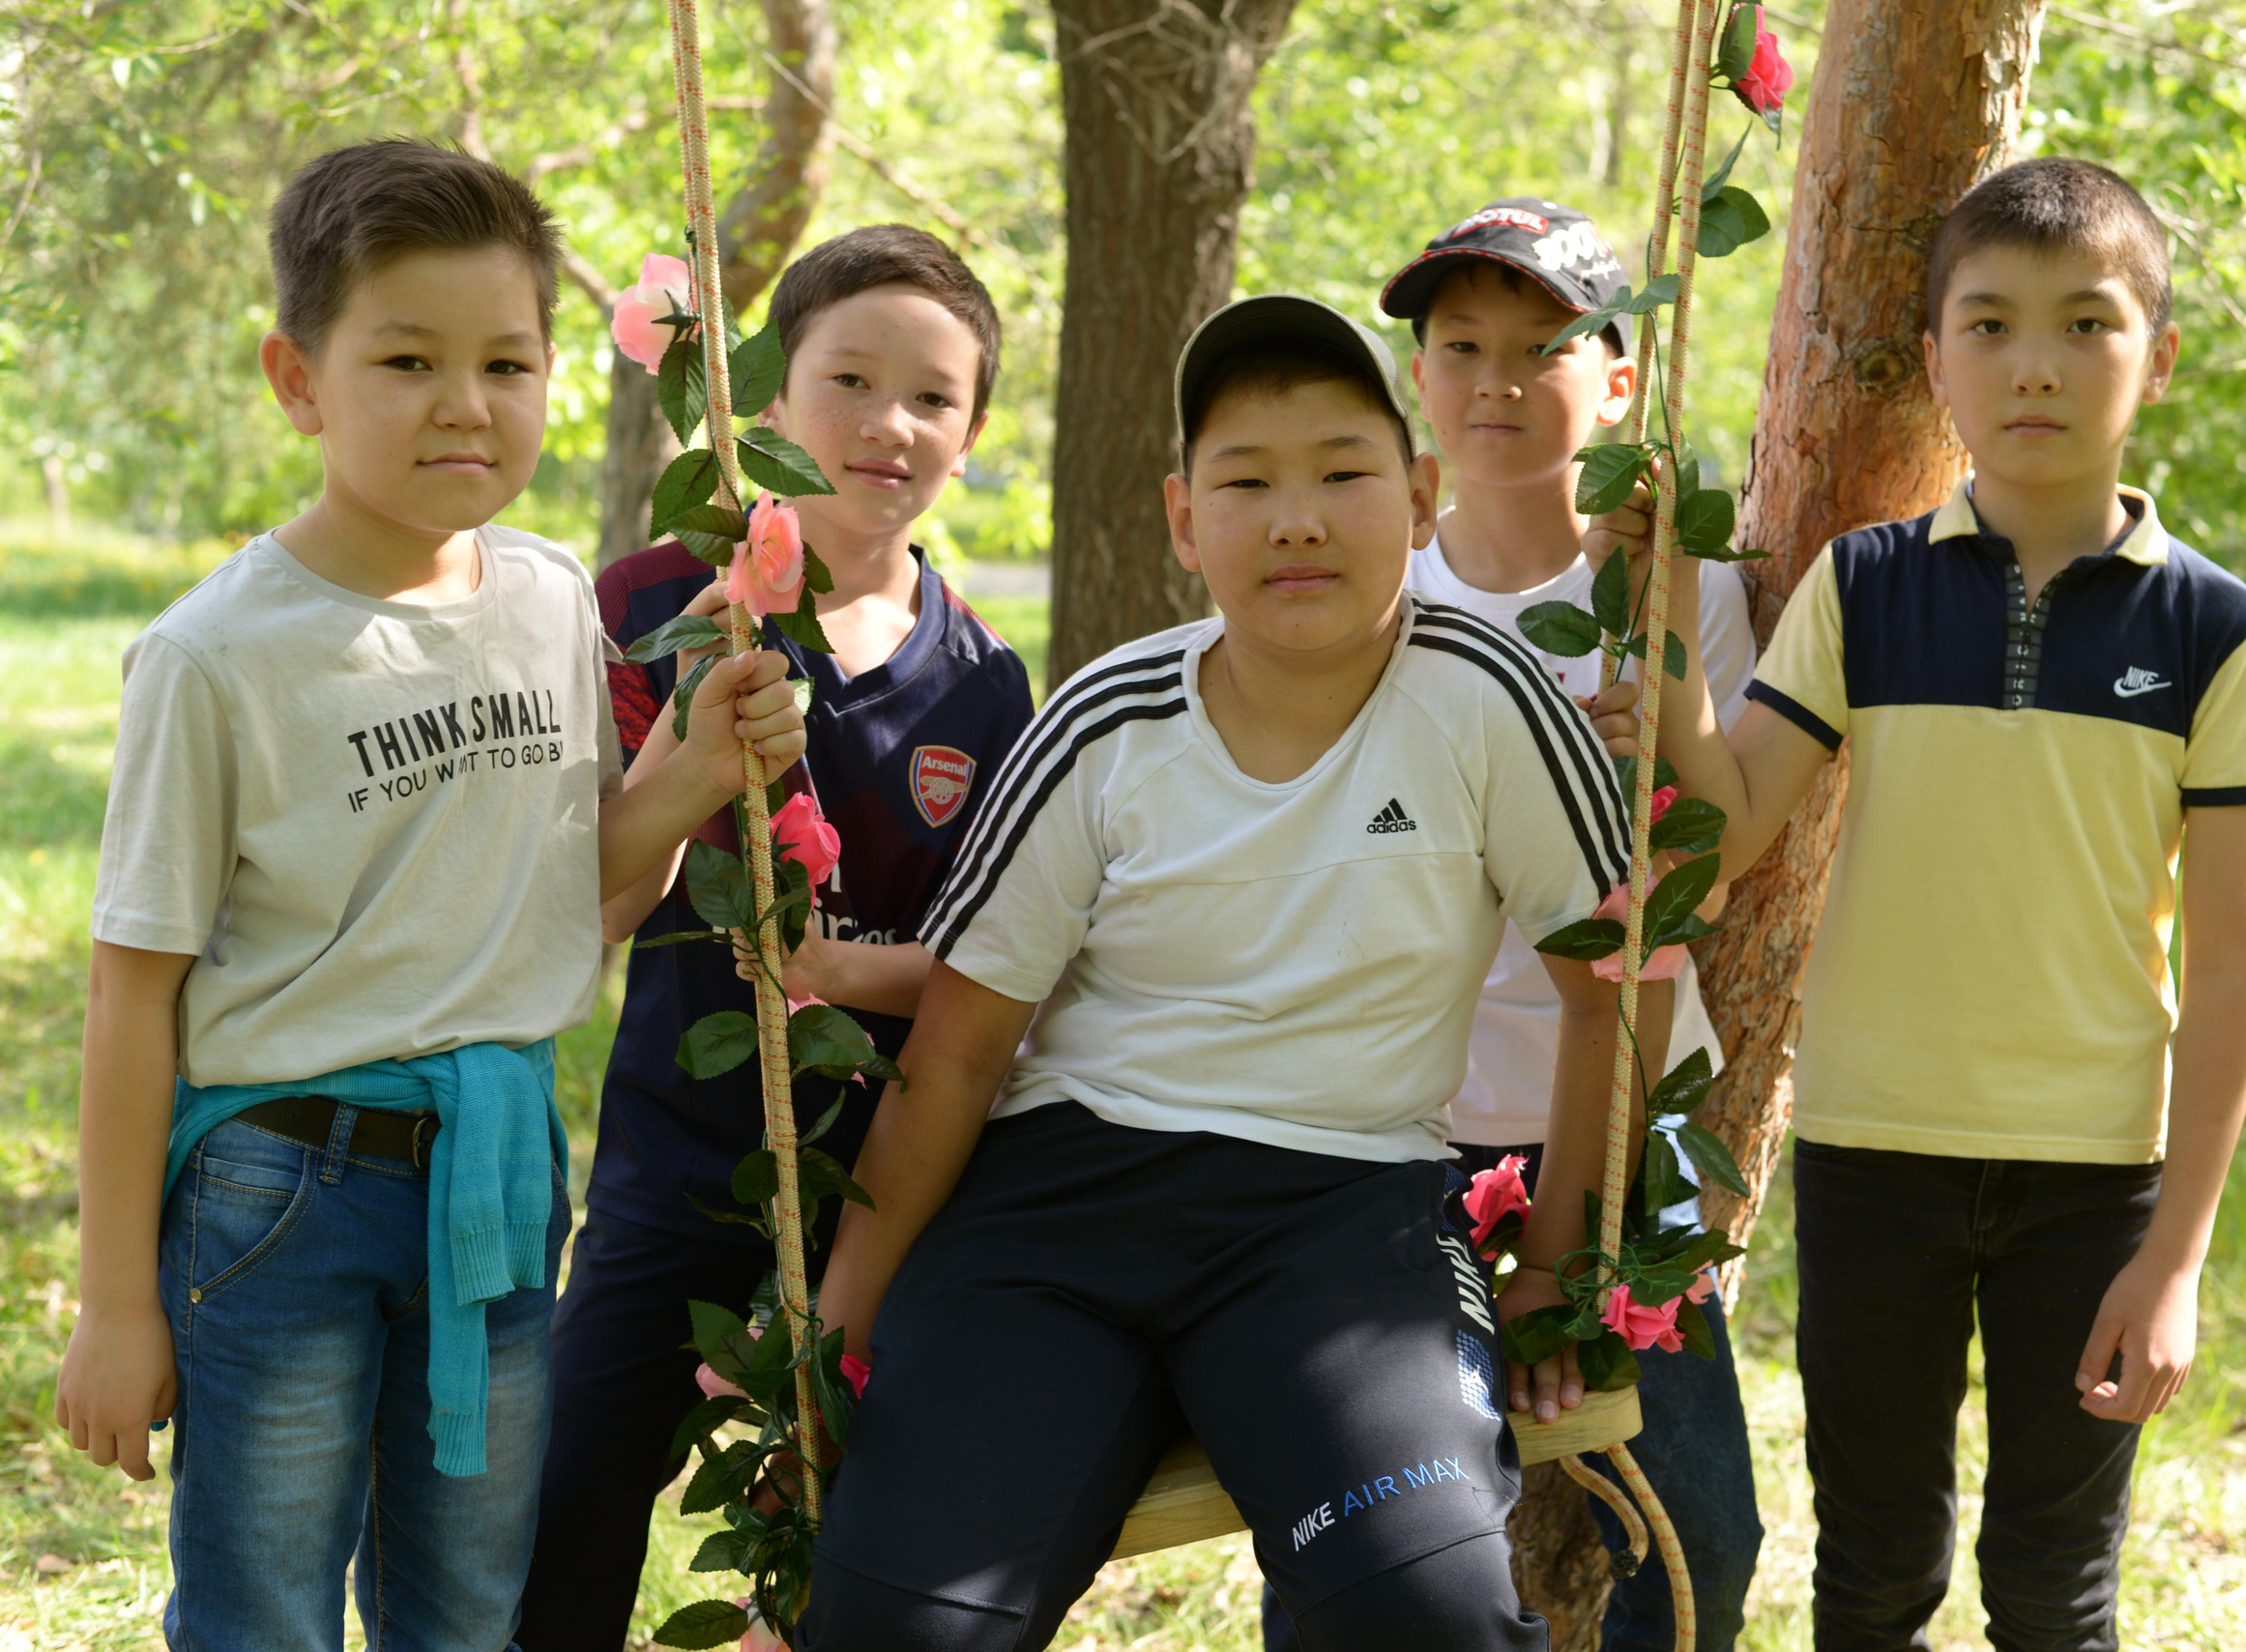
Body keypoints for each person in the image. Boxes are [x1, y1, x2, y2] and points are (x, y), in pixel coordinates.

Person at [793, 295, 1644, 1651]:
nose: (1296, 519)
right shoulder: (1106, 719)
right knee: (900, 1626)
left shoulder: (1487, 698)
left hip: (1342, 1223)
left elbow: (1611, 987)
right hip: (1060, 1214)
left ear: (1418, 497)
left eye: (1342, 473)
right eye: (1248, 482)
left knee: (1422, 1614)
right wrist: (827, 1345)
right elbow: (955, 1051)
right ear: (1186, 520)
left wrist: (1553, 1271)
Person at [53, 138, 807, 1652]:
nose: (466, 402)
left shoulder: (543, 598)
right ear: (298, 376)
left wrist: (683, 768)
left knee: (466, 1602)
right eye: (407, 358)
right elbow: (135, 990)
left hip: (503, 1167)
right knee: (263, 1604)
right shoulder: (218, 655)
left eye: (506, 361)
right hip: (282, 1187)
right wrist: (114, 1298)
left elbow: (582, 896)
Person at [1650, 158, 2246, 1649]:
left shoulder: (2213, 628)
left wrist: (2178, 1255)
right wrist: (1670, 650)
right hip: (1875, 1151)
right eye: (1992, 323)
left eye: (2088, 325)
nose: (2036, 365)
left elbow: (2240, 967)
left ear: (2157, 357)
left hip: (2094, 1175)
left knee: (2053, 1590)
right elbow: (1737, 823)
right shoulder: (1866, 586)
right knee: (1873, 1568)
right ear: (1937, 357)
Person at [518, 224, 1035, 1649]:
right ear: (766, 401)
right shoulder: (653, 608)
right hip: (676, 1165)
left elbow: (999, 965)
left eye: (933, 397)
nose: (888, 424)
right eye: (849, 379)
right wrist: (684, 753)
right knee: (564, 1493)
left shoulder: (988, 682)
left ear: (973, 432)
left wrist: (832, 974)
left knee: (845, 1526)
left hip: (883, 1193)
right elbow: (600, 910)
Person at [1303, 195, 1759, 1651]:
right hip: (1406, 1133)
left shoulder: (1688, 592)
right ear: (1419, 381)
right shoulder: (1375, 608)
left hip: (1633, 1125)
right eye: (1460, 344)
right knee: (1367, 1520)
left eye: (1546, 341)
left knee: (1701, 1529)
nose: (1498, 376)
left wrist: (1668, 729)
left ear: (1619, 376)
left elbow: (1726, 869)